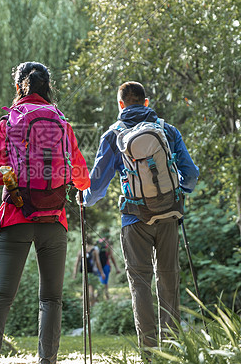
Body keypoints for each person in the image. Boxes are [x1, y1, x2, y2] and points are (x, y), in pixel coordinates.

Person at [0, 62, 90, 364]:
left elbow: (0, 170)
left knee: (2, 294)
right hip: (54, 220)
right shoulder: (62, 123)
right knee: (51, 299)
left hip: (16, 217)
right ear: (48, 87)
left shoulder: (11, 121)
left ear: (20, 86)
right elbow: (82, 177)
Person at [84, 81, 199, 349]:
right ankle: (171, 351)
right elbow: (191, 174)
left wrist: (85, 200)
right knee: (168, 279)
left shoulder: (113, 134)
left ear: (120, 104)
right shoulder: (167, 130)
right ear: (146, 102)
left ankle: (149, 353)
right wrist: (177, 192)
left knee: (140, 285)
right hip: (169, 214)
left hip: (134, 218)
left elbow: (97, 185)